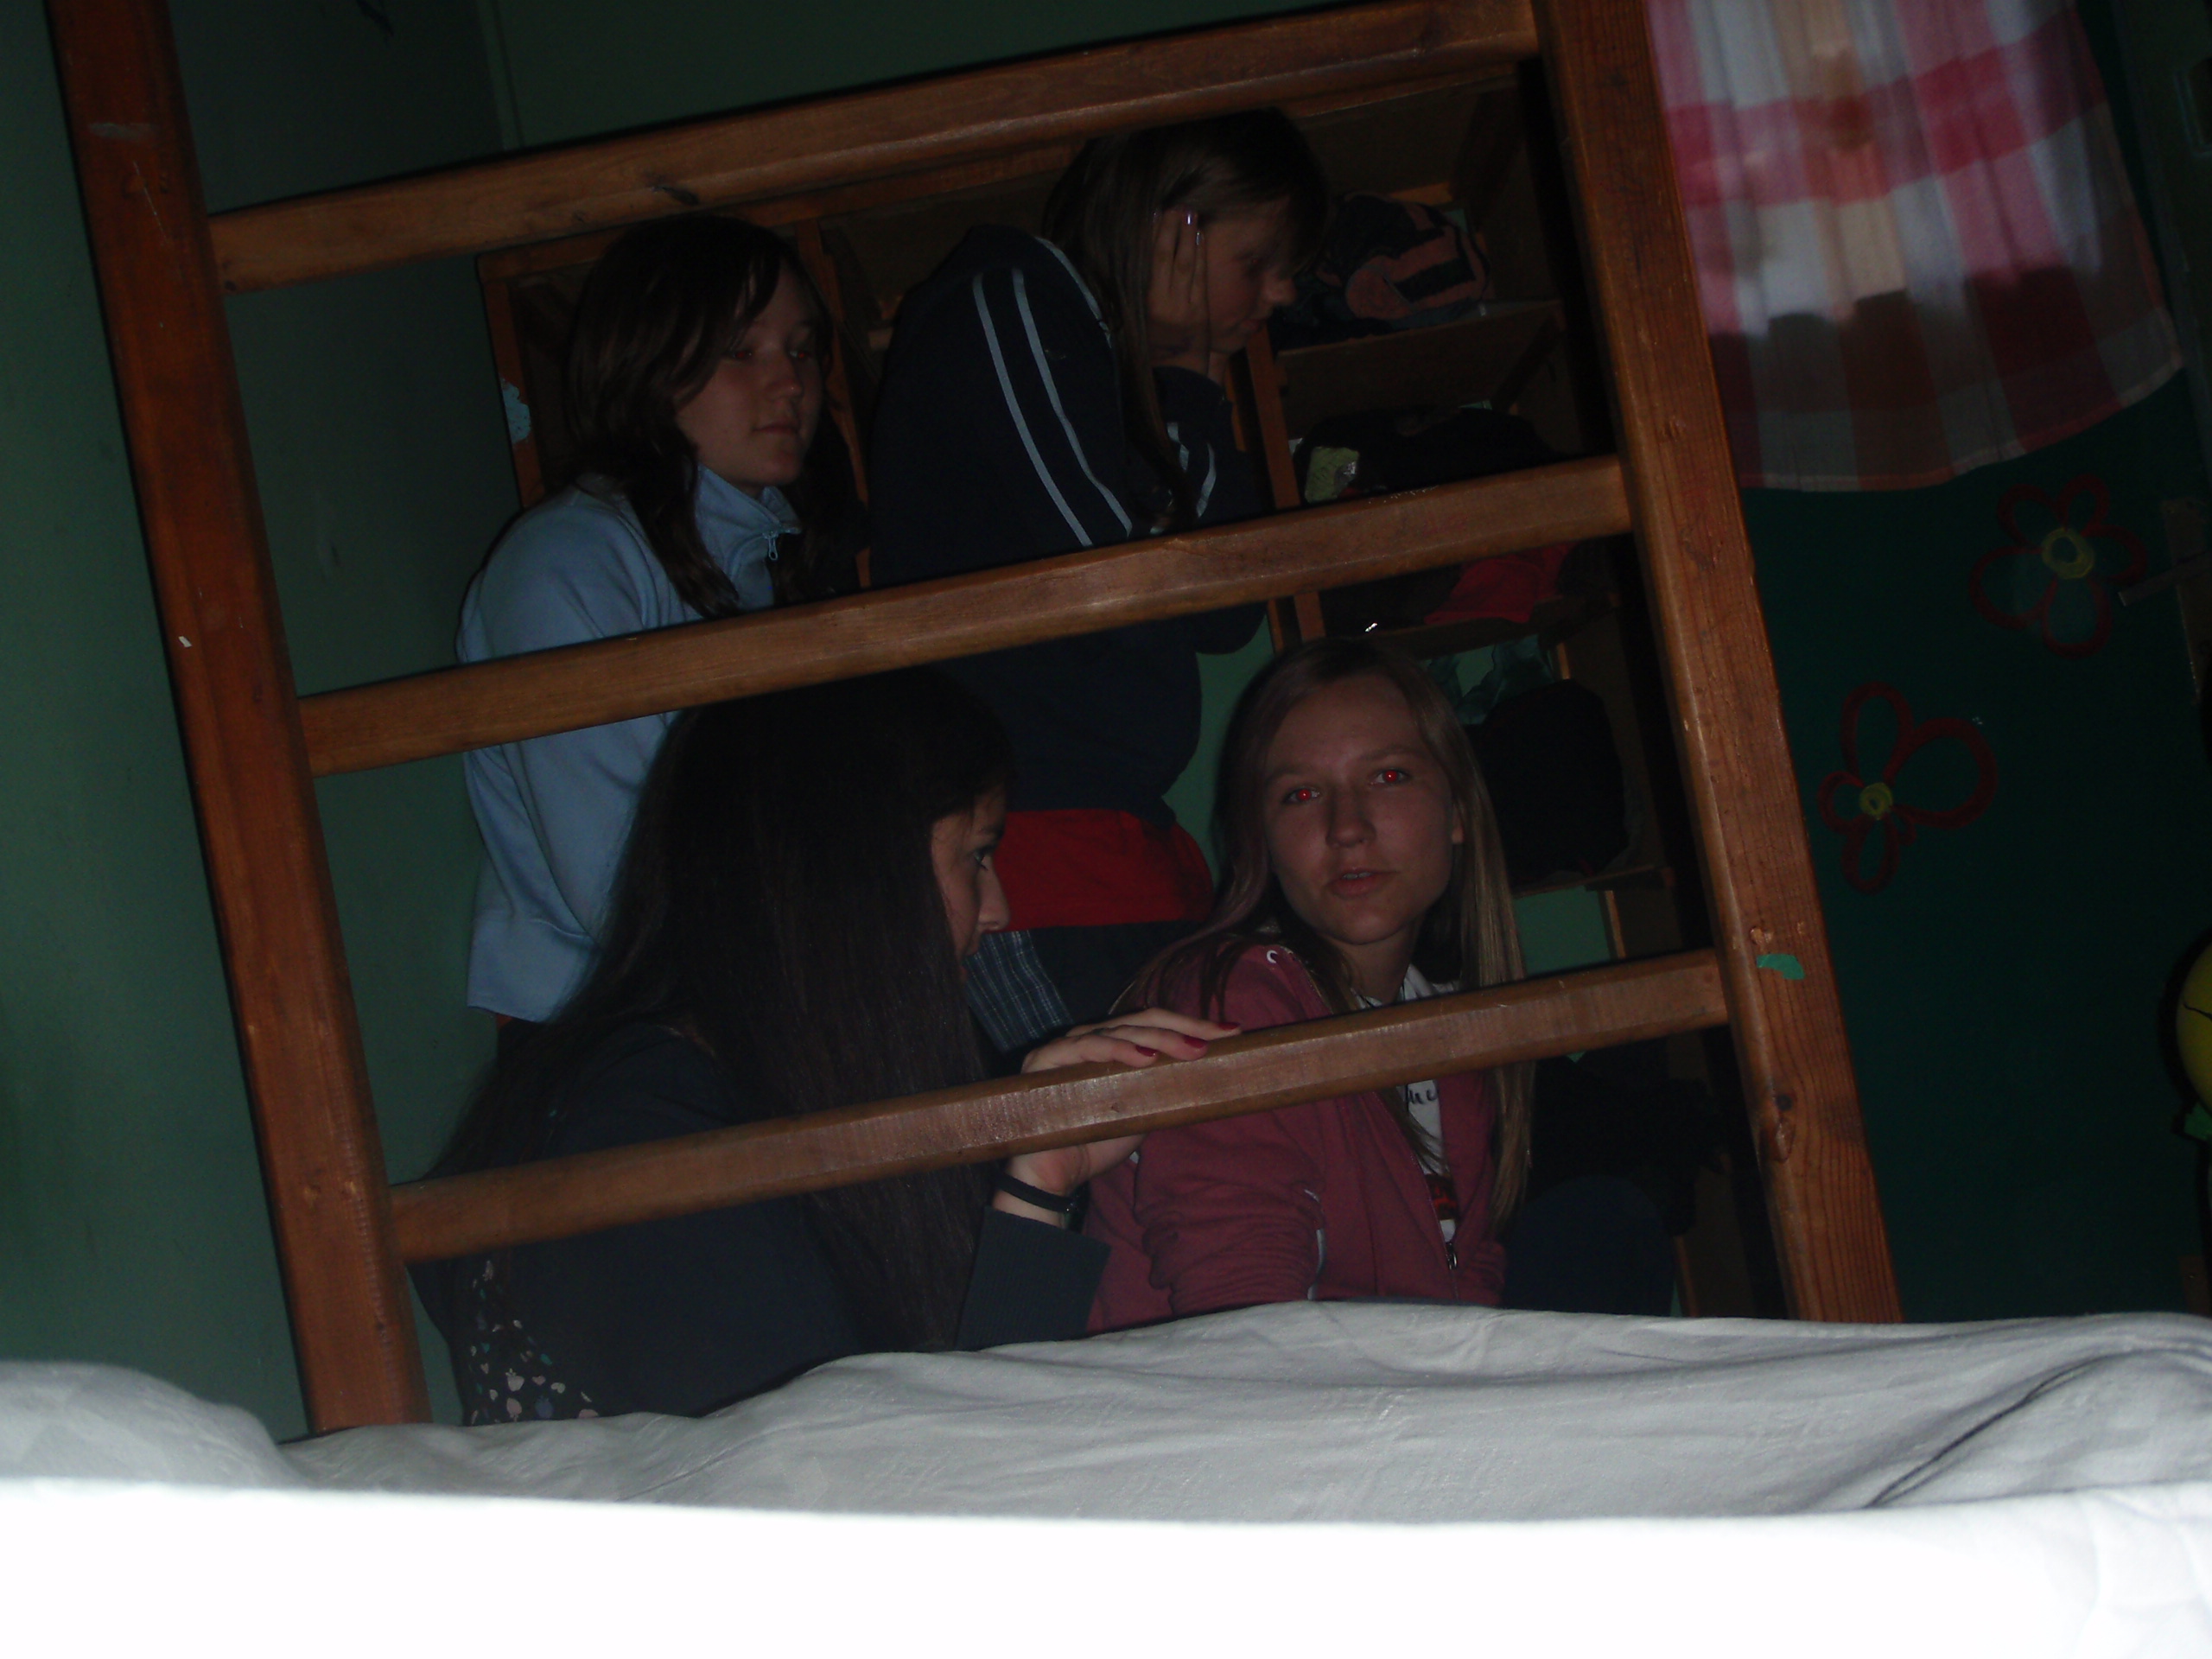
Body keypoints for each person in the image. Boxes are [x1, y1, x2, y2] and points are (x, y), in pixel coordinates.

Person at [417, 670, 1230, 1422]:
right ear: (857, 870)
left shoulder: (755, 1089)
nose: (999, 909)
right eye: (976, 857)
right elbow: (899, 1480)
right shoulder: (641, 1130)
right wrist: (1036, 1190)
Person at [868, 109, 1327, 1056]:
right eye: (1258, 260)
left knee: (1190, 1123)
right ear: (1173, 229)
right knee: (1131, 1132)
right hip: (1030, 845)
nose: (1280, 292)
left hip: (1112, 839)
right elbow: (1105, 570)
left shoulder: (1117, 364)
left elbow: (1228, 610)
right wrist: (1181, 382)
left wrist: (1190, 378)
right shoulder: (1011, 294)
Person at [459, 214, 865, 1027]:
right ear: (647, 365)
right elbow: (617, 887)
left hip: (737, 1006)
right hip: (617, 1031)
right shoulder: (571, 560)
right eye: (740, 350)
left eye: (801, 349)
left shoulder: (764, 557)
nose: (790, 382)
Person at [1084, 639, 1536, 1326]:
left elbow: (1466, 1296)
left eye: (1388, 777)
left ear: (1458, 813)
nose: (1347, 828)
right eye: (1301, 795)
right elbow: (1247, 1325)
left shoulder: (1446, 1025)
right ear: (1260, 840)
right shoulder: (1230, 1004)